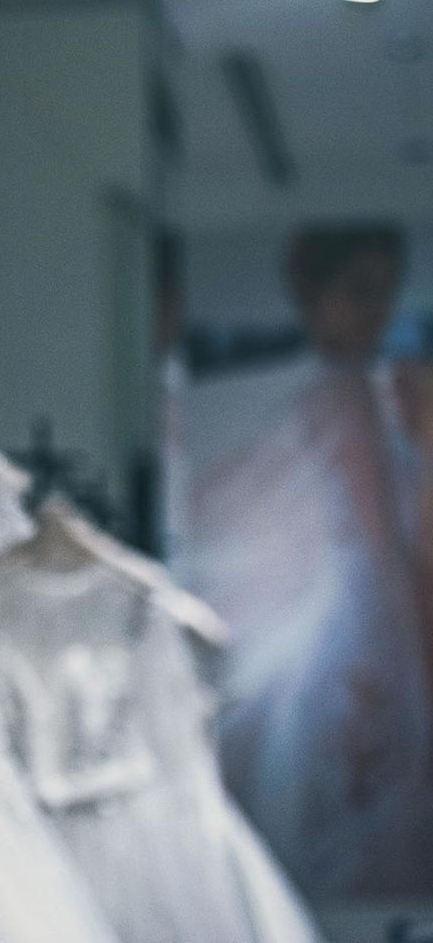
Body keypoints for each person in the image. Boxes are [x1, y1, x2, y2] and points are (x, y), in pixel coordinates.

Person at [175, 222, 433, 897]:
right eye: (359, 294)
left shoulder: (350, 394)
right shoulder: (345, 397)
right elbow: (377, 550)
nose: (375, 314)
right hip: (362, 640)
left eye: (385, 295)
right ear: (315, 298)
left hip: (351, 637)